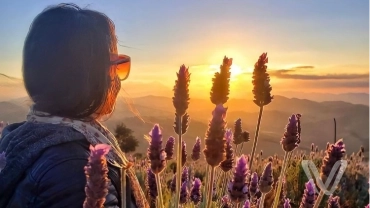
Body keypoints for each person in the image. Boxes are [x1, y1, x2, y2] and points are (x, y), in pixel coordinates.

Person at [0, 3, 149, 208]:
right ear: (88, 77)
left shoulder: (19, 137)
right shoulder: (74, 171)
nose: (118, 80)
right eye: (116, 66)